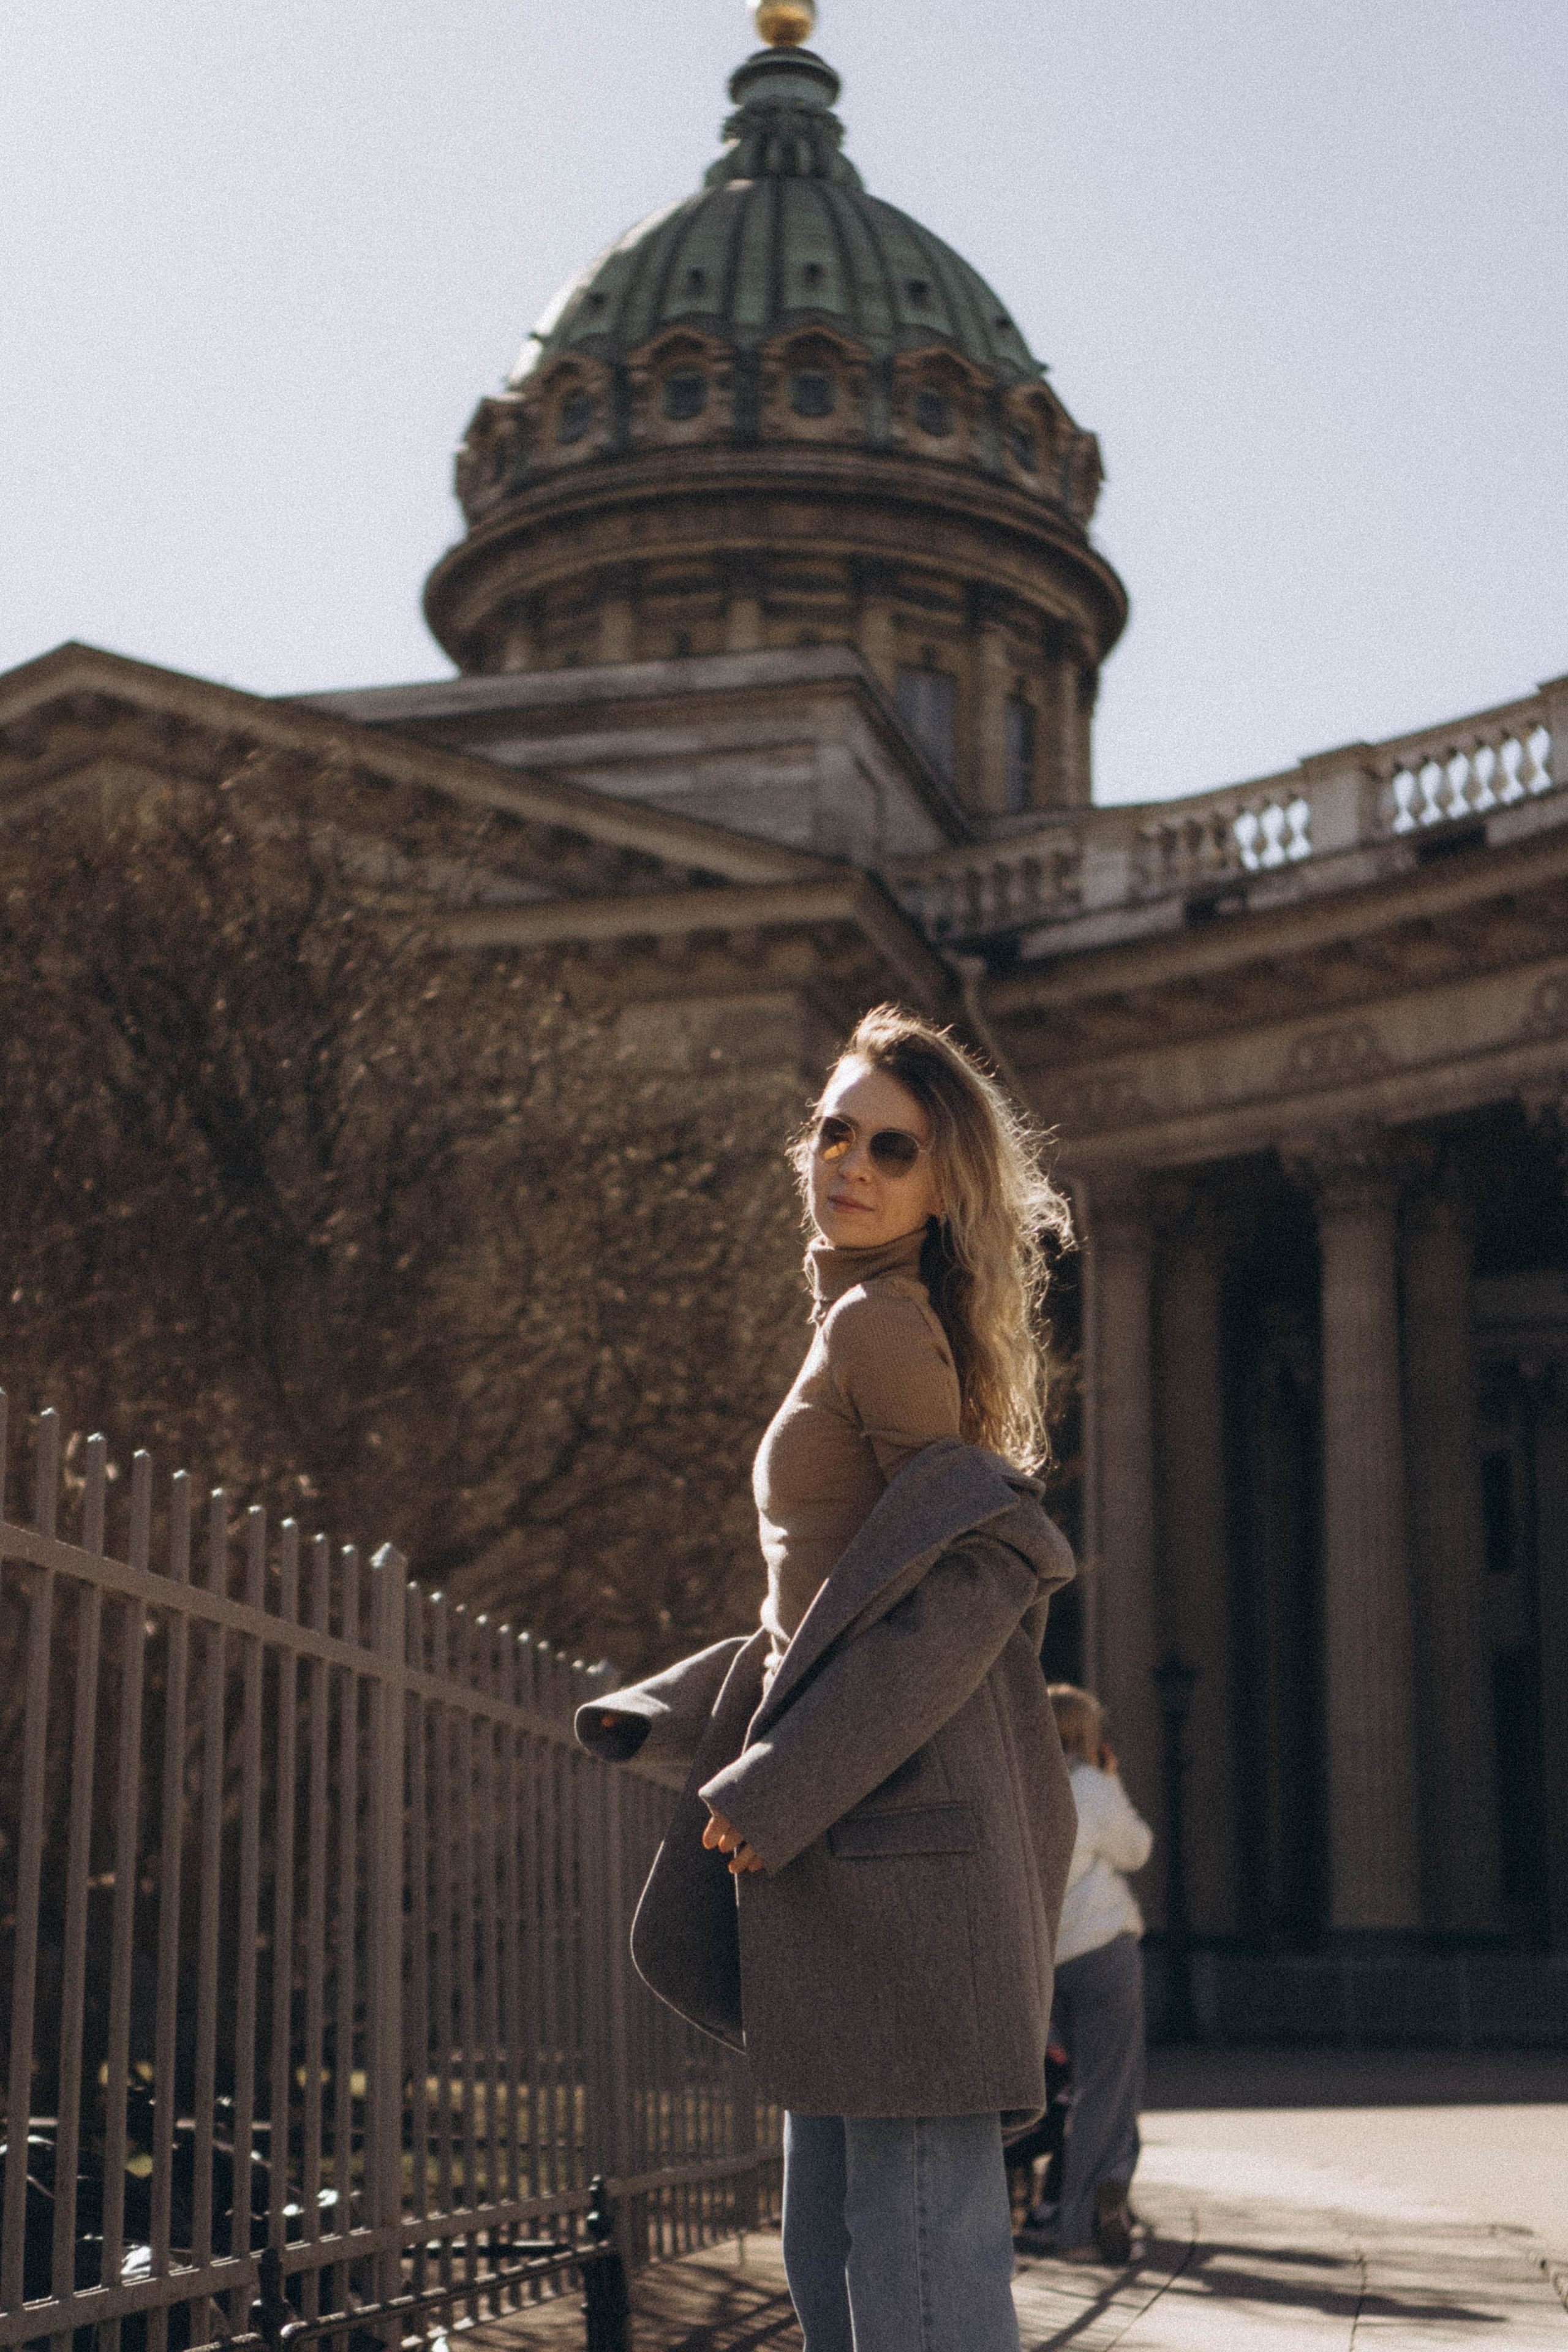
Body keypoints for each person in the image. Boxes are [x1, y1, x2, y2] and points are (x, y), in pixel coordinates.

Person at [575, 1004, 1079, 2352]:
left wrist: (783, 1778)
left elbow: (971, 1577)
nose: (846, 1160)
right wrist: (680, 1707)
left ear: (943, 1181)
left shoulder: (878, 1330)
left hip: (898, 1858)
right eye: (831, 1129)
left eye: (890, 1146)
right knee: (834, 2259)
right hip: (850, 1856)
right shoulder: (860, 1321)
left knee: (912, 2275)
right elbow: (833, 1608)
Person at [1022, 1683, 1154, 2267]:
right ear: (1087, 1735)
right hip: (1102, 1952)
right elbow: (1137, 1850)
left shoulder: (1023, 1788)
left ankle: (1092, 2195)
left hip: (1045, 1960)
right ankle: (1087, 2216)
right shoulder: (1092, 1789)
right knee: (1109, 2086)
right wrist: (1113, 1779)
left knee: (1068, 2090)